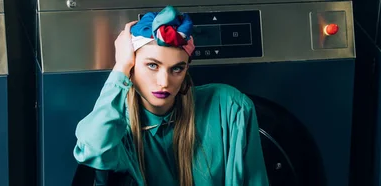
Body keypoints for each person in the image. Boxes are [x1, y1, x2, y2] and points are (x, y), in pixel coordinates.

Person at [72, 6, 269, 186]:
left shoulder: (228, 107)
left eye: (177, 69)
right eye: (152, 65)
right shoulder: (117, 123)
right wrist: (121, 67)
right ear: (132, 66)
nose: (164, 82)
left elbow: (255, 181)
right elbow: (93, 149)